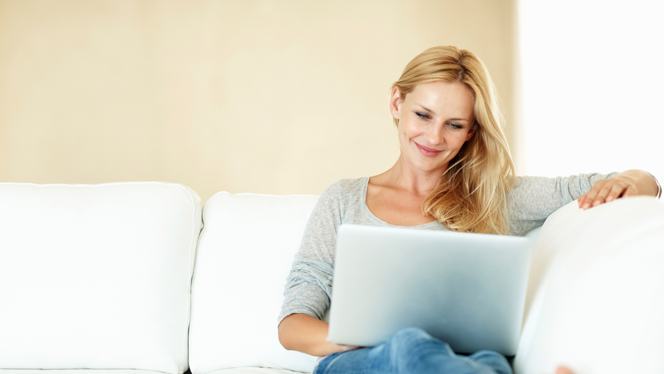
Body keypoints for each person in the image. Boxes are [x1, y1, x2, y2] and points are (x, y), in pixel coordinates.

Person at [277, 45, 661, 374]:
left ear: (471, 131)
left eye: (454, 125)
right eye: (423, 115)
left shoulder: (494, 196)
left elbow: (629, 181)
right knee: (410, 345)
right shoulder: (343, 199)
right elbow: (291, 326)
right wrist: (370, 340)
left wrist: (638, 180)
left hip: (475, 362)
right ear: (397, 103)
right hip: (366, 361)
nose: (433, 137)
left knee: (480, 361)